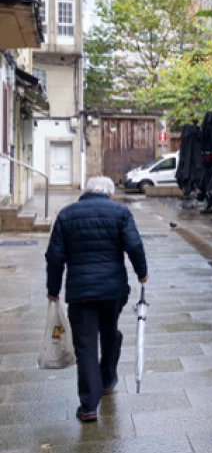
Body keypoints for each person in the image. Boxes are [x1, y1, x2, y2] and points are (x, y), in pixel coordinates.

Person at [46, 177, 148, 423]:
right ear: (109, 194)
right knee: (110, 331)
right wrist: (142, 273)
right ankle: (108, 378)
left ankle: (89, 406)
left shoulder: (66, 215)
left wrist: (53, 289)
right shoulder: (120, 213)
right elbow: (134, 245)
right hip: (113, 290)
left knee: (86, 344)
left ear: (86, 191)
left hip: (81, 292)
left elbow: (55, 256)